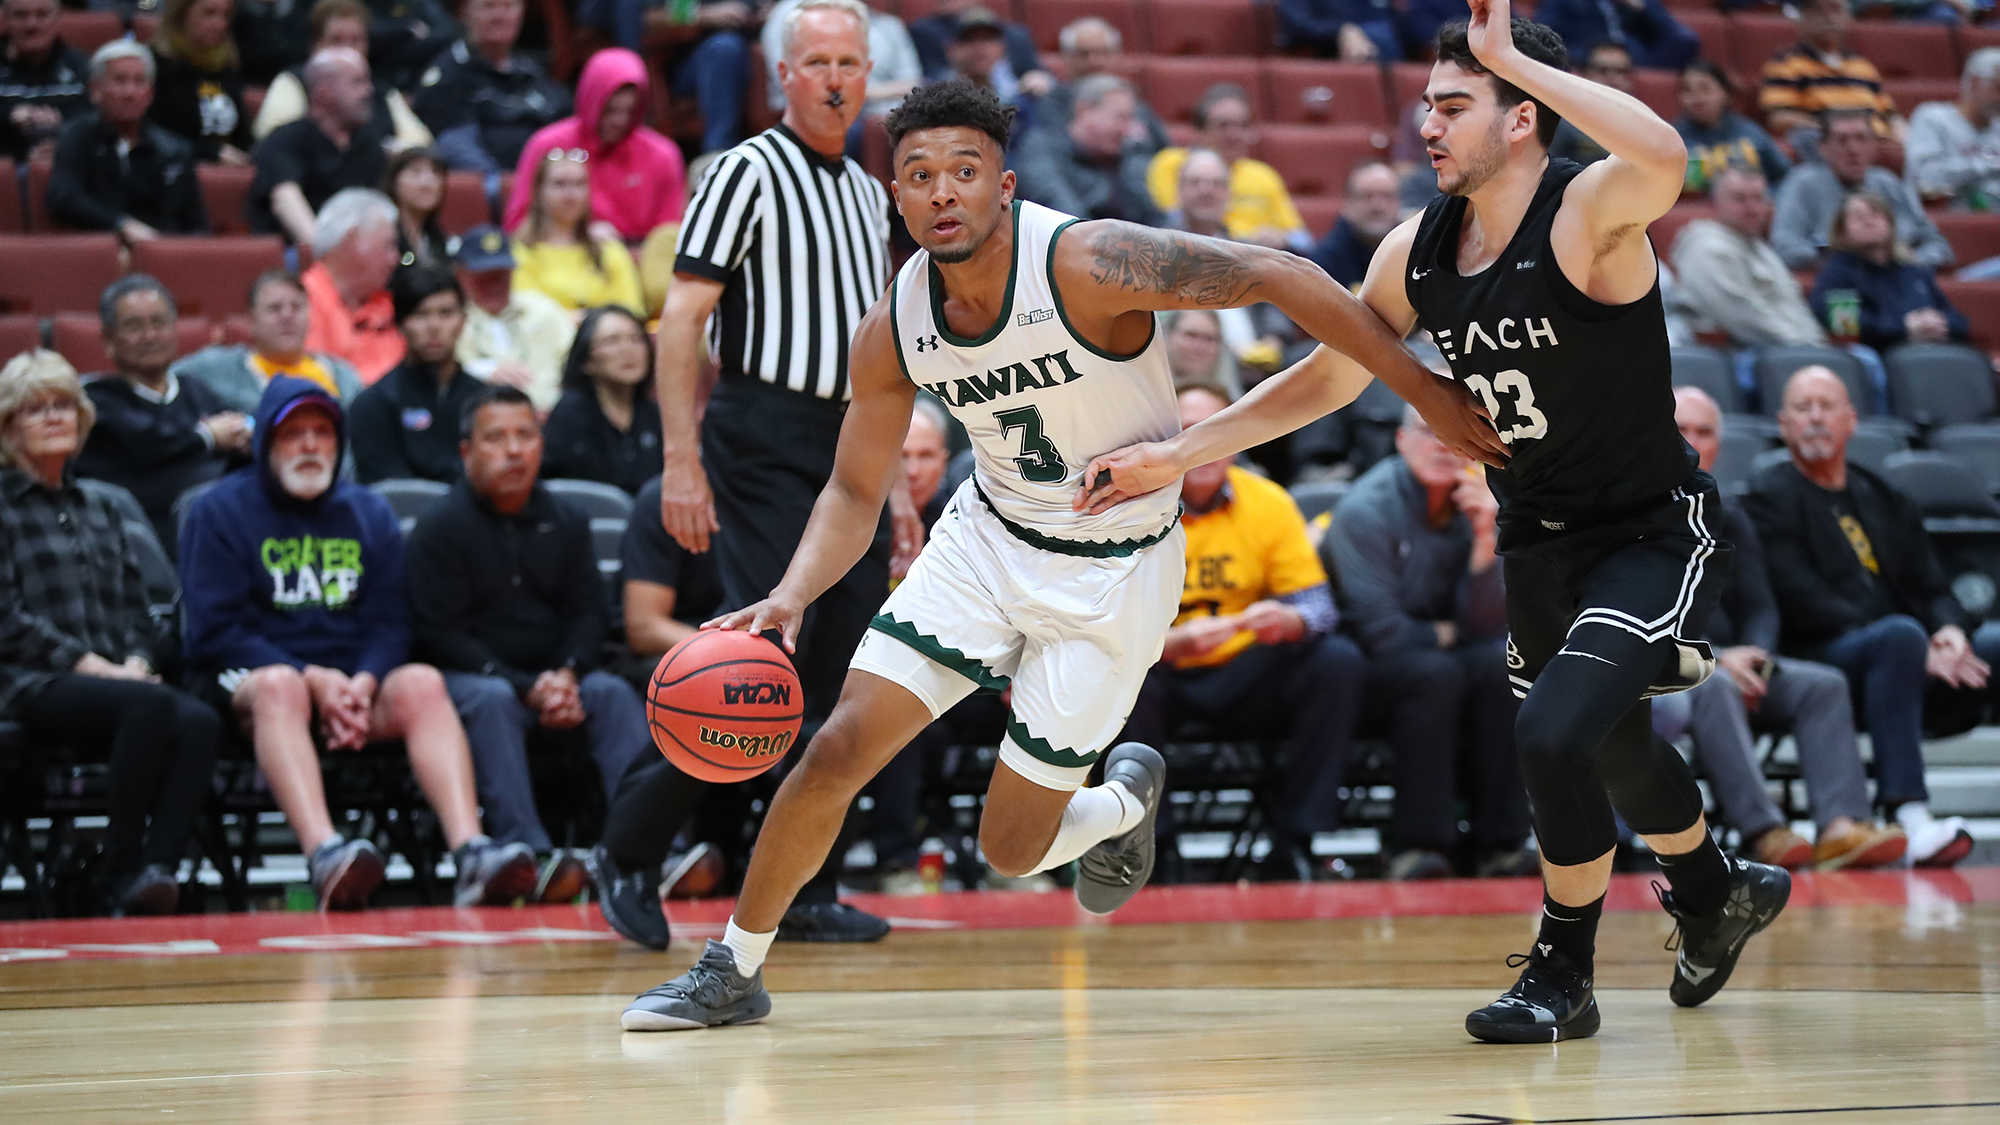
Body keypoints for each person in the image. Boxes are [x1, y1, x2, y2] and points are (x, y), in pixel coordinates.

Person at [617, 74, 1501, 1029]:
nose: (942, 190)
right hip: (987, 541)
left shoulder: (1090, 261)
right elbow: (852, 490)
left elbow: (1276, 274)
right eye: (918, 174)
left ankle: (1122, 803)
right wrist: (789, 596)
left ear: (1005, 185)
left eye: (965, 169)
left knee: (1010, 845)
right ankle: (733, 967)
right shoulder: (895, 325)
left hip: (1114, 568)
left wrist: (1422, 388)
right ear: (896, 196)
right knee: (833, 748)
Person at [1081, 9, 1788, 1043]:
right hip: (1538, 538)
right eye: (1422, 104)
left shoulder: (1587, 212)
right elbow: (1326, 373)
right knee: (1615, 749)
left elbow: (1665, 152)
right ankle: (1713, 892)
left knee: (1549, 732)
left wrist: (1504, 53)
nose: (1424, 124)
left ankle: (1563, 972)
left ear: (1519, 119)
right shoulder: (1418, 248)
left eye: (1452, 105)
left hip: (1645, 531)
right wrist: (1180, 452)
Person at [589, 0, 910, 954]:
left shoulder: (865, 188)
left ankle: (805, 882)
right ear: (783, 75)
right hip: (759, 431)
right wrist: (680, 457)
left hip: (847, 437)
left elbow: (879, 359)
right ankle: (628, 848)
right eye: (817, 62)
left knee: (854, 673)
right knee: (763, 664)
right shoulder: (744, 172)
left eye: (851, 61)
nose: (837, 78)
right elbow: (682, 319)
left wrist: (892, 489)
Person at [178, 376, 543, 909]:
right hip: (252, 686)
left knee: (420, 682)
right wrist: (313, 680)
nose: (309, 446)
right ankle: (324, 853)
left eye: (322, 434)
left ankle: (471, 853)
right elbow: (217, 630)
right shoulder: (218, 510)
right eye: (294, 434)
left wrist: (362, 682)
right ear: (264, 444)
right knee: (281, 687)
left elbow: (392, 621)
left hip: (350, 688)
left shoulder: (367, 512)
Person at [0, 350, 219, 918]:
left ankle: (155, 870)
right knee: (146, 708)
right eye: (35, 409)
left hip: (115, 682)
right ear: (8, 427)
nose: (54, 418)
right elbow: (5, 619)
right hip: (29, 680)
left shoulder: (102, 504)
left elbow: (134, 607)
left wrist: (137, 658)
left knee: (198, 718)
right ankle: (115, 875)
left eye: (64, 406)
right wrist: (95, 667)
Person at [410, 384, 651, 900]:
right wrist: (524, 685)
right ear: (466, 451)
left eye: (526, 435)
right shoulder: (438, 527)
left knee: (610, 691)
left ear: (543, 444)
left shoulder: (566, 518)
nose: (514, 450)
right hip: (478, 680)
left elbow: (589, 614)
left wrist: (567, 674)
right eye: (496, 438)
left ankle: (651, 852)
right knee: (492, 700)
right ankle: (530, 856)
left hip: (557, 679)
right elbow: (438, 634)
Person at [1119, 385, 1362, 881]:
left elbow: (1317, 606)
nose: (1204, 446)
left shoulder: (1268, 502)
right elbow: (1092, 623)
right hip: (1156, 671)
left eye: (1216, 431)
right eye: (1188, 433)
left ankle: (1300, 841)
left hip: (1245, 671)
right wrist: (1167, 645)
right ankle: (1145, 848)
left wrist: (1291, 620)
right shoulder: (1123, 507)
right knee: (1116, 680)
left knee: (1336, 660)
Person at [1744, 367, 1980, 869]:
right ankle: (1909, 815)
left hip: (1906, 649)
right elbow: (1802, 600)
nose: (1814, 418)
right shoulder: (1769, 496)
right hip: (1823, 655)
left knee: (1992, 644)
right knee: (1898, 636)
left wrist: (1948, 633)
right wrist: (1914, 645)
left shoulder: (1885, 495)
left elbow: (1931, 585)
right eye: (1802, 408)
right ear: (1782, 424)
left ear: (1851, 421)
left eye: (1826, 406)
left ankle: (1922, 646)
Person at [1664, 387, 1907, 870]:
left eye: (1704, 432)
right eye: (1680, 430)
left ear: (1718, 445)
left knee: (1822, 685)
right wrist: (1714, 655)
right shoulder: (1626, 516)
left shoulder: (1730, 515)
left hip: (1737, 663)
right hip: (1665, 663)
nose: (1691, 443)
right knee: (1713, 686)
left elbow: (1761, 605)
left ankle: (1841, 827)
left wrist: (1757, 654)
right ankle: (1763, 830)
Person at [1325, 406, 1536, 880]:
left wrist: (1487, 540)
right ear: (1401, 440)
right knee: (1435, 676)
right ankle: (1419, 846)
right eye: (1429, 429)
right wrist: (1454, 634)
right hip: (1363, 672)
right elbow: (1382, 634)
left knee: (1504, 665)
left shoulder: (1484, 501)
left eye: (1456, 433)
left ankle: (1501, 843)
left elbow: (1494, 625)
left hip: (1446, 662)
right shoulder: (1365, 510)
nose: (1443, 443)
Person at [74, 276, 252, 547]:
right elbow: (148, 441)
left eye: (159, 323)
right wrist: (207, 436)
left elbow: (237, 429)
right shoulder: (96, 400)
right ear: (108, 339)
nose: (149, 335)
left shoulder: (196, 390)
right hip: (133, 543)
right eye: (133, 326)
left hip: (218, 532)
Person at [504, 48, 687, 246]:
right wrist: (580, 238)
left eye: (630, 111)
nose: (620, 121)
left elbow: (669, 238)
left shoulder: (663, 155)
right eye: (610, 110)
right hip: (567, 258)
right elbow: (518, 226)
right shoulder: (547, 145)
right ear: (590, 101)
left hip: (641, 262)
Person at [48, 41, 210, 242]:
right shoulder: (78, 136)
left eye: (139, 82)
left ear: (150, 93)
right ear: (95, 89)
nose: (130, 93)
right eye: (120, 80)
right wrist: (121, 224)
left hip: (164, 253)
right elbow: (63, 197)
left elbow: (197, 225)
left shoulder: (175, 150)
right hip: (99, 253)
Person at [1672, 165, 1829, 350]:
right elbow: (1744, 320)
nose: (1752, 208)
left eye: (1758, 198)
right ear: (1715, 204)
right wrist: (1809, 348)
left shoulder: (1762, 250)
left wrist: (1819, 345)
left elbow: (1795, 309)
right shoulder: (1707, 248)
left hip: (1789, 348)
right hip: (1736, 355)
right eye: (1739, 199)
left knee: (1862, 357)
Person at [348, 267, 483, 483]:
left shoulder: (484, 400)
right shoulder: (374, 404)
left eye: (446, 313)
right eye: (420, 314)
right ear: (399, 324)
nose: (434, 326)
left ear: (464, 320)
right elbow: (390, 490)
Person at [1772, 110, 1952, 271]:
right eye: (1842, 140)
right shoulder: (1802, 183)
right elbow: (1784, 246)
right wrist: (1846, 264)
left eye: (1861, 139)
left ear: (1873, 146)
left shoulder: (1888, 184)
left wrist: (1909, 263)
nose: (1853, 149)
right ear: (1823, 148)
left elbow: (1939, 247)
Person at [249, 47, 393, 246]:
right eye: (357, 82)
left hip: (361, 252)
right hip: (298, 253)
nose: (368, 91)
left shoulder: (369, 144)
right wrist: (325, 251)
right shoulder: (285, 140)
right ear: (323, 93)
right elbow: (285, 199)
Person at [410, 0, 570, 174]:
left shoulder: (534, 73)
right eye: (488, 6)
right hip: (490, 189)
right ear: (464, 13)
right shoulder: (447, 76)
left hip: (549, 184)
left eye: (508, 7)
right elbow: (456, 147)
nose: (499, 16)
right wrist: (503, 186)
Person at [173, 270, 366, 414]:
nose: (287, 316)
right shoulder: (214, 368)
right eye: (275, 309)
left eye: (297, 308)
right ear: (251, 322)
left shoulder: (343, 376)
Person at [1147, 85, 1310, 252]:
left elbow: (1303, 240)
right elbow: (1168, 222)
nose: (1234, 135)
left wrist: (1281, 239)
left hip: (1253, 264)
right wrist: (1240, 240)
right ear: (1199, 131)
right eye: (1223, 125)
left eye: (1242, 126)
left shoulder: (1263, 175)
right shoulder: (1172, 164)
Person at [249, 0, 432, 148]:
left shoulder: (381, 90)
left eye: (356, 40)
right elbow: (271, 135)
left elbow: (420, 142)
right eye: (336, 40)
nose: (347, 49)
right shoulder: (295, 81)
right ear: (316, 44)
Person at [1810, 192, 1970, 353]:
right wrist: (1903, 327)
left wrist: (1941, 324)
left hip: (1930, 349)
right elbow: (1843, 323)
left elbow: (1959, 320)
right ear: (1842, 232)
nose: (1868, 221)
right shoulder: (1837, 272)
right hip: (1877, 353)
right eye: (1858, 217)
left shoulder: (1914, 272)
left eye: (1875, 214)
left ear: (1890, 224)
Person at [1011, 75, 1162, 226]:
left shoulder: (1125, 156)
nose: (1127, 129)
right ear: (1084, 110)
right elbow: (1059, 206)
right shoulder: (1041, 147)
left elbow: (1155, 216)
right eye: (1121, 117)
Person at [509, 150, 646, 317]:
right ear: (539, 191)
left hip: (605, 342)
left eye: (579, 184)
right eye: (559, 184)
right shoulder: (519, 252)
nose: (570, 194)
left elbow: (632, 312)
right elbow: (529, 316)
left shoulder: (609, 250)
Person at [452, 226, 574, 413]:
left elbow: (577, 359)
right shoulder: (451, 319)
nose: (493, 285)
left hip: (556, 416)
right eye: (483, 276)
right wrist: (480, 371)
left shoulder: (542, 309)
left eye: (500, 276)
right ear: (461, 275)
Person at [541, 307, 660, 494]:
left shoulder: (655, 415)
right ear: (586, 360)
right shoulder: (569, 415)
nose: (627, 350)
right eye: (612, 341)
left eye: (636, 340)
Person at [763, 0, 922, 132]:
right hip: (826, 113)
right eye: (818, 62)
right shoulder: (792, 12)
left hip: (888, 114)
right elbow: (793, 83)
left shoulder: (887, 25)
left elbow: (912, 83)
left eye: (847, 63)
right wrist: (870, 93)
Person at [302, 188, 405, 384]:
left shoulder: (388, 300)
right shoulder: (300, 303)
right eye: (388, 245)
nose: (395, 258)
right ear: (352, 241)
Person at [1759, 0, 1898, 145]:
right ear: (1801, 18)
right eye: (1819, 11)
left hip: (1875, 145)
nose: (1829, 17)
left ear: (1847, 17)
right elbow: (1779, 118)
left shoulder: (1861, 64)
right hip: (1824, 148)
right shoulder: (1786, 62)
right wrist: (1835, 131)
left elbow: (1890, 114)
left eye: (1836, 10)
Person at [1021, 17, 1167, 154]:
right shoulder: (1054, 101)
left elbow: (1162, 147)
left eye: (1103, 52)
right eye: (1084, 54)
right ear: (1067, 58)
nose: (1094, 62)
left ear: (1116, 56)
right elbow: (1053, 149)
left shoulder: (1131, 100)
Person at [149, 0, 255, 165]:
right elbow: (154, 134)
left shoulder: (226, 67)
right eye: (209, 13)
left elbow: (243, 136)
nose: (219, 24)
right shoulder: (157, 66)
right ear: (181, 15)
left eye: (225, 15)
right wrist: (210, 152)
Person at [1905, 48, 2000, 211]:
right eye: (1998, 87)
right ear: (1975, 83)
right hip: (1947, 217)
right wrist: (1988, 166)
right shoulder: (1932, 117)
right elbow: (1924, 177)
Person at [1675, 60, 1789, 195]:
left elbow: (1784, 176)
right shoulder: (1673, 138)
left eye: (1704, 89)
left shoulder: (1750, 131)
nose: (1696, 97)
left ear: (1724, 93)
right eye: (1688, 90)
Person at [0, 0, 89, 162]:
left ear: (58, 17)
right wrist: (9, 117)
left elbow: (97, 122)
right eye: (20, 15)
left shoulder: (82, 67)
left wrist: (62, 126)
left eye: (42, 14)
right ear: (5, 17)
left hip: (67, 166)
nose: (32, 25)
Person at [907, 0, 1051, 97]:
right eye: (970, 40)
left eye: (988, 40)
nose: (980, 48)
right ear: (951, 49)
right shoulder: (935, 95)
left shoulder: (1021, 95)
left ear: (1003, 48)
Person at [1309, 161, 1404, 288]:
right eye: (1367, 196)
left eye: (1388, 196)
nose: (1378, 207)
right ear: (1348, 203)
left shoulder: (1415, 253)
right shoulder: (1324, 263)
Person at [1535, 0, 1697, 72]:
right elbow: (1543, 35)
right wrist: (1578, 59)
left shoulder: (1639, 4)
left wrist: (1643, 8)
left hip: (1637, 62)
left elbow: (1682, 41)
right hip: (1588, 62)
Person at [1548, 42, 1633, 167]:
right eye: (1603, 70)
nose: (1613, 79)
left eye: (1621, 72)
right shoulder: (1561, 124)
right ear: (1584, 75)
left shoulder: (1641, 126)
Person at [383, 146, 456, 276]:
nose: (427, 183)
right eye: (415, 172)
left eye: (435, 172)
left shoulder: (440, 239)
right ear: (393, 182)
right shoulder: (382, 236)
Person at [1278, 0, 1402, 62]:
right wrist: (1341, 30)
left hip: (1379, 46)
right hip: (1322, 55)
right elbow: (1296, 26)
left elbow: (1394, 23)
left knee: (1379, 35)